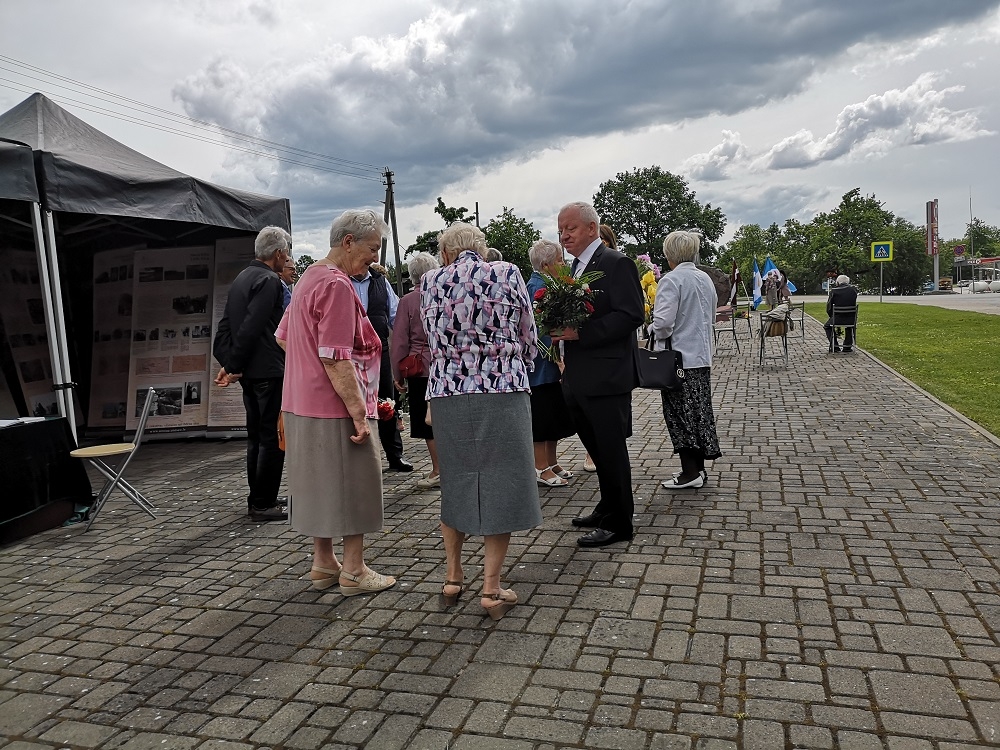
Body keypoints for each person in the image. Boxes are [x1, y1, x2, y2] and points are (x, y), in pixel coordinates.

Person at [420, 222, 541, 620]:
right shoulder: (506, 272)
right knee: (500, 482)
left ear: (445, 253)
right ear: (481, 248)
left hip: (448, 392)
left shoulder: (429, 281)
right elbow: (527, 333)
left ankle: (453, 576)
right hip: (503, 387)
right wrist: (517, 365)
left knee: (456, 479)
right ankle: (491, 588)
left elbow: (433, 342)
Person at [276, 209, 396, 597]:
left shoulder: (308, 277)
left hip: (300, 402)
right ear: (348, 241)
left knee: (319, 486)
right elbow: (335, 355)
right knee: (354, 485)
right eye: (372, 248)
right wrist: (360, 414)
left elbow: (283, 336)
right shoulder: (338, 285)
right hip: (334, 407)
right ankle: (356, 569)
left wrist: (307, 366)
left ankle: (324, 562)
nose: (375, 258)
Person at [552, 202, 644, 548]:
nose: (564, 236)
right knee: (596, 446)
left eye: (570, 229)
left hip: (606, 377)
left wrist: (581, 334)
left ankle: (620, 523)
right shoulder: (575, 268)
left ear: (592, 228)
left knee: (610, 449)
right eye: (561, 230)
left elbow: (632, 314)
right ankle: (607, 506)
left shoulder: (616, 263)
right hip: (578, 375)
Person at [213, 226, 290, 522]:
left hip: (251, 372)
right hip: (269, 369)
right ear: (278, 253)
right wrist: (233, 365)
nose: (287, 258)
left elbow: (226, 327)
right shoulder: (269, 280)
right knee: (272, 437)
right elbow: (252, 327)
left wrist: (232, 364)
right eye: (286, 253)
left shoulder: (242, 278)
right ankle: (262, 502)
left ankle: (260, 495)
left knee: (257, 437)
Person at [650, 230, 722, 489]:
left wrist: (652, 329)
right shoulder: (704, 278)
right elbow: (711, 314)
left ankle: (689, 472)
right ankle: (698, 470)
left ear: (671, 255)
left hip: (678, 360)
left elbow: (664, 324)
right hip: (701, 357)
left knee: (680, 415)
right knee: (699, 414)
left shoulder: (672, 280)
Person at [349, 263, 413, 472]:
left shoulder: (380, 281)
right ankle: (359, 457)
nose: (373, 257)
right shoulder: (340, 280)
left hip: (379, 350)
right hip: (349, 353)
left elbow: (395, 315)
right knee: (352, 402)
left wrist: (407, 343)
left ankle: (395, 455)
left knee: (387, 402)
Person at [526, 239, 577, 487]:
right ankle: (540, 466)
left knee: (553, 416)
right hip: (541, 365)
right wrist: (557, 358)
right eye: (559, 260)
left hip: (549, 365)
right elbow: (537, 330)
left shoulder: (549, 285)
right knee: (542, 416)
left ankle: (552, 461)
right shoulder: (537, 289)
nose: (563, 263)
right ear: (546, 264)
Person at [390, 251, 441, 489]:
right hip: (446, 365)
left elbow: (399, 340)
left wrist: (397, 374)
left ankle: (438, 470)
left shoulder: (408, 301)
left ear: (412, 276)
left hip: (420, 368)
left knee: (427, 422)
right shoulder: (444, 294)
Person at [825, 274, 859, 353]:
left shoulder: (834, 291)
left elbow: (829, 307)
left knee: (827, 326)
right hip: (851, 319)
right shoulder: (853, 290)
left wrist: (831, 316)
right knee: (850, 327)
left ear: (837, 283)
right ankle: (847, 347)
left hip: (837, 318)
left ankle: (834, 346)